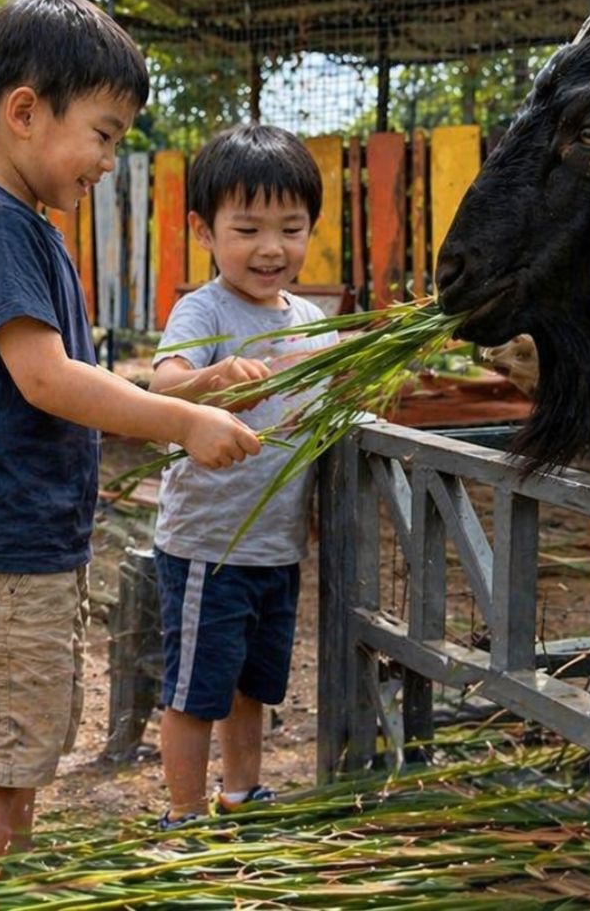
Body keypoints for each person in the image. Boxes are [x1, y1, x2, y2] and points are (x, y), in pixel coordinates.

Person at [0, 0, 262, 875]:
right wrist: (181, 420)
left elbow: (62, 377)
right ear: (24, 111)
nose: (110, 158)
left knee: (19, 742)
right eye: (104, 133)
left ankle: (8, 881)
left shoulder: (17, 225)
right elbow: (47, 379)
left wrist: (193, 385)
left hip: (19, 538)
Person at [148, 123, 337, 830]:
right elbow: (162, 386)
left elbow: (323, 412)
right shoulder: (203, 310)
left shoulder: (314, 321)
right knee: (197, 689)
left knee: (252, 684)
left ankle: (242, 792)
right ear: (204, 229)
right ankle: (184, 813)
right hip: (211, 545)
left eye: (291, 228)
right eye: (248, 227)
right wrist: (216, 377)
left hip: (275, 545)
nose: (271, 248)